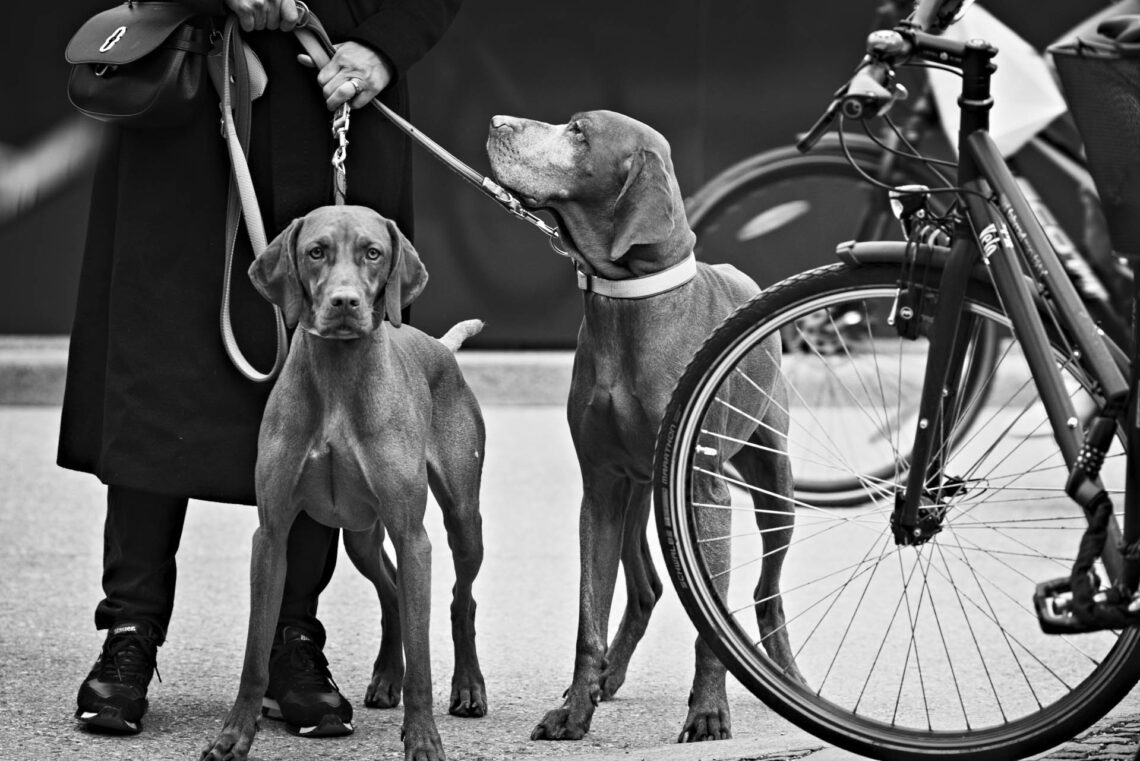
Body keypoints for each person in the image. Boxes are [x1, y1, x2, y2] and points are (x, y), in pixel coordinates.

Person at [59, 0, 463, 738]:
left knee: (337, 389)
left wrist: (385, 46)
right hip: (185, 80)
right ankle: (130, 630)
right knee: (156, 362)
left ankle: (294, 637)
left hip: (334, 79)